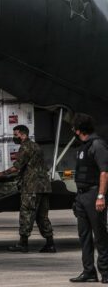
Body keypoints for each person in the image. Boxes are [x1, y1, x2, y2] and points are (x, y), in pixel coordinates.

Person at [0, 125, 55, 253]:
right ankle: (50, 243)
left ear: (22, 134)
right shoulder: (36, 146)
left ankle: (23, 243)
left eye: (16, 135)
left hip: (31, 187)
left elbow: (17, 167)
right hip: (44, 187)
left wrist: (1, 173)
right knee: (42, 216)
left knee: (26, 213)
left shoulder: (25, 147)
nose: (14, 137)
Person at [68, 114, 108, 283]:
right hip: (82, 195)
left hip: (93, 194)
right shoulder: (83, 146)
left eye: (73, 128)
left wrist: (101, 196)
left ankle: (106, 272)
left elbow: (104, 172)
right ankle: (89, 271)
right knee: (84, 235)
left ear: (78, 129)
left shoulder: (97, 145)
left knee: (99, 235)